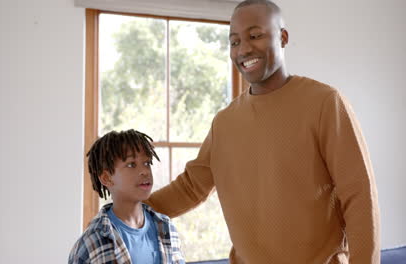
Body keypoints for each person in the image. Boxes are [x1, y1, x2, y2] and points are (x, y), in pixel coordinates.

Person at [145, 0, 380, 263]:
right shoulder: (224, 123)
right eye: (234, 42)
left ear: (283, 37)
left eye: (255, 36)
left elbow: (359, 197)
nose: (244, 49)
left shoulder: (325, 103)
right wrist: (129, 212)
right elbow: (189, 188)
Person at [69, 129, 185, 264]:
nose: (144, 171)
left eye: (147, 163)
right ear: (107, 178)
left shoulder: (166, 228)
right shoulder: (92, 240)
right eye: (131, 165)